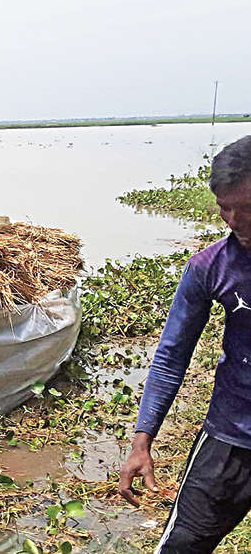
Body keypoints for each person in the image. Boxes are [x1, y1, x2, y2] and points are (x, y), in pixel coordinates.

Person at [118, 135, 251, 553]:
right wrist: (142, 440)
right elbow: (171, 355)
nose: (234, 221)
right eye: (225, 207)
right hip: (230, 436)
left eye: (248, 207)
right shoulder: (209, 267)